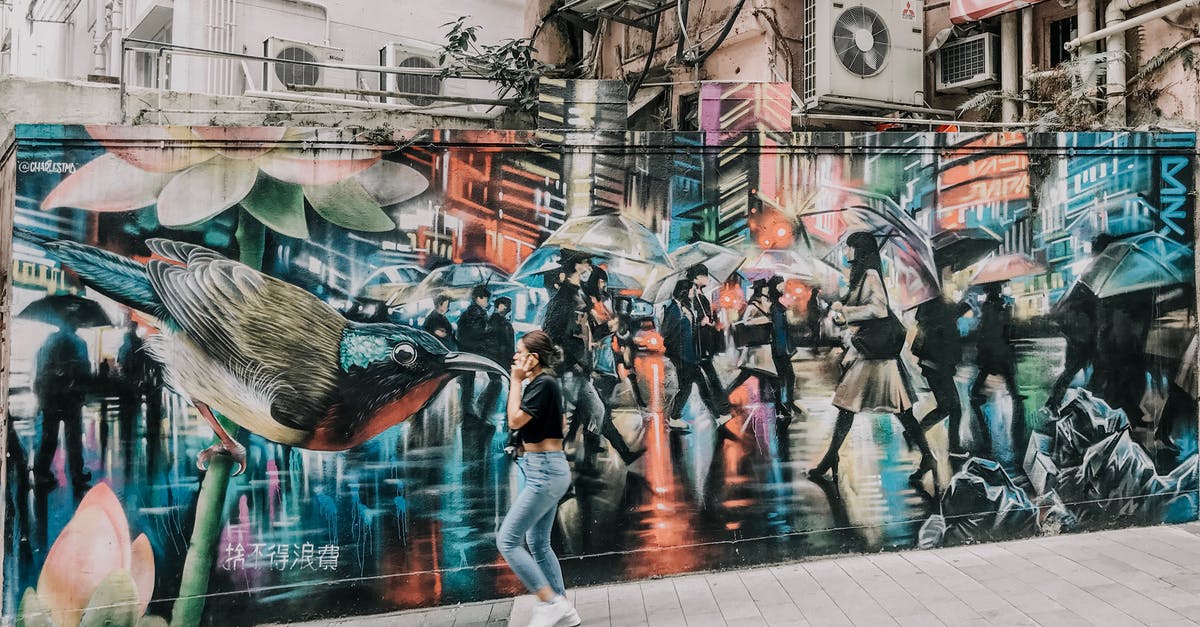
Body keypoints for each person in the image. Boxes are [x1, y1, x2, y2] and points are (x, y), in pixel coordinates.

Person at [809, 232, 936, 492]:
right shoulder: (860, 275)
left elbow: (878, 309)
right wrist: (842, 310)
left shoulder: (870, 275)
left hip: (874, 356)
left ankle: (928, 458)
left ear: (860, 249)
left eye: (849, 248)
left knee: (885, 410)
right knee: (854, 408)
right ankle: (830, 458)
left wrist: (846, 312)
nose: (846, 252)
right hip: (869, 353)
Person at [497, 330, 581, 627]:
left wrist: (516, 381)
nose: (515, 357)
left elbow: (515, 419)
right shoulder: (544, 383)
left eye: (521, 352)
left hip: (545, 472)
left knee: (507, 540)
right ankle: (563, 609)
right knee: (537, 541)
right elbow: (551, 424)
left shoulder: (542, 382)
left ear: (534, 357)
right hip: (544, 468)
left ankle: (550, 601)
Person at [32, 319, 92, 488]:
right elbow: (86, 371)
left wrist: (41, 397)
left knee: (49, 437)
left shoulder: (49, 342)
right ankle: (76, 474)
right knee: (73, 439)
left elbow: (41, 371)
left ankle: (42, 472)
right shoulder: (80, 344)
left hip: (52, 398)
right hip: (70, 398)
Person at [968, 281, 1026, 456]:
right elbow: (1010, 332)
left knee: (976, 392)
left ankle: (985, 437)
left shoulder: (988, 309)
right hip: (1003, 355)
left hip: (992, 355)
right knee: (1012, 390)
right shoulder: (1004, 308)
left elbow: (986, 334)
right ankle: (1017, 426)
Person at [913, 297, 973, 458]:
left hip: (935, 367)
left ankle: (917, 432)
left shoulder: (935, 318)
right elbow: (944, 347)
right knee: (952, 407)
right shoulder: (941, 322)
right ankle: (950, 444)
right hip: (938, 368)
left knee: (948, 407)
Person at [724, 281, 784, 422]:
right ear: (762, 289)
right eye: (766, 287)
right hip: (755, 350)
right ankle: (723, 402)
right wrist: (764, 320)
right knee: (751, 378)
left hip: (763, 349)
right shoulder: (753, 304)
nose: (769, 289)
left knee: (763, 378)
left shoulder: (766, 302)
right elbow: (746, 321)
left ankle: (778, 409)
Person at [687, 265, 732, 420]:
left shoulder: (701, 294)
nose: (707, 279)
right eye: (705, 276)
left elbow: (706, 317)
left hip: (705, 342)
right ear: (697, 277)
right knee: (707, 379)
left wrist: (712, 320)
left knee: (701, 381)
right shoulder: (691, 295)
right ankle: (722, 410)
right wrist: (701, 321)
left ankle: (720, 411)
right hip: (697, 344)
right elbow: (690, 318)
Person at [1047, 283, 1100, 410]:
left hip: (1081, 345)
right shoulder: (1084, 307)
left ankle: (1055, 403)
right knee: (1070, 375)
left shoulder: (1075, 305)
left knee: (1069, 376)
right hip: (1082, 345)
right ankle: (1056, 403)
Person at [766, 276, 801, 424]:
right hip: (779, 347)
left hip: (782, 346)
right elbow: (778, 329)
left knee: (785, 377)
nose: (783, 287)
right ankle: (783, 405)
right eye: (780, 285)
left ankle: (785, 404)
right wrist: (784, 349)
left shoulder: (777, 305)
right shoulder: (775, 306)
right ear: (775, 287)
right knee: (784, 377)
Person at [456, 285, 491, 422]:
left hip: (467, 352)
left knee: (468, 383)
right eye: (486, 298)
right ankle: (467, 414)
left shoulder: (470, 313)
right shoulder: (476, 314)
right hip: (471, 352)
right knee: (469, 384)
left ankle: (467, 412)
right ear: (479, 298)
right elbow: (477, 334)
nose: (487, 302)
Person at [480, 296, 516, 420]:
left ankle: (485, 410)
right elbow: (506, 344)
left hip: (497, 358)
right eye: (505, 305)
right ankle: (490, 411)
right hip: (500, 358)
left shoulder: (493, 321)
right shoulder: (499, 323)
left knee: (498, 383)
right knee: (501, 383)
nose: (508, 308)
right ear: (499, 306)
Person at [807, 287, 825, 354]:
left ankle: (814, 348)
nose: (818, 294)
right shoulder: (814, 300)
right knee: (816, 335)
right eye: (817, 293)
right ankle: (815, 349)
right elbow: (815, 310)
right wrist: (820, 310)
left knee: (814, 334)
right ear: (815, 293)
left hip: (812, 319)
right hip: (815, 319)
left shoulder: (811, 300)